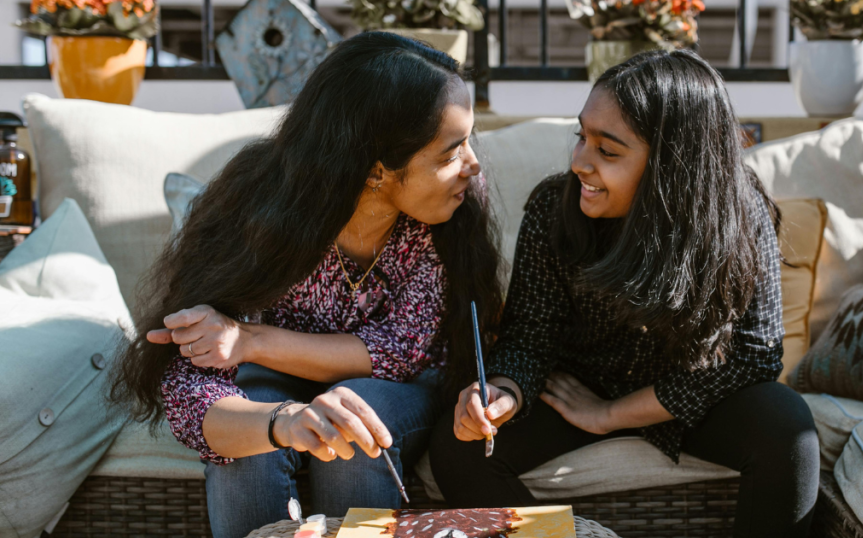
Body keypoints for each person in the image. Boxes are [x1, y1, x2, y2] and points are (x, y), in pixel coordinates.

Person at [109, 32, 503, 538]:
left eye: (469, 140)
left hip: (404, 389)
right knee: (247, 451)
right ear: (375, 171)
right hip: (274, 383)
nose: (472, 164)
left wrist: (250, 340)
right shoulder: (258, 201)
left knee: (355, 424)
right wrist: (281, 421)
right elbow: (188, 387)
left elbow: (401, 351)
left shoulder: (447, 214)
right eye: (451, 152)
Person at [430, 49, 820, 537]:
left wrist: (612, 415)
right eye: (581, 137)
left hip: (687, 393)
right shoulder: (554, 207)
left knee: (788, 427)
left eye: (607, 151)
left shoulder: (740, 215)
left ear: (674, 167)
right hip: (575, 385)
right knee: (455, 445)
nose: (579, 162)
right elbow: (531, 334)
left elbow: (755, 358)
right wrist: (502, 394)